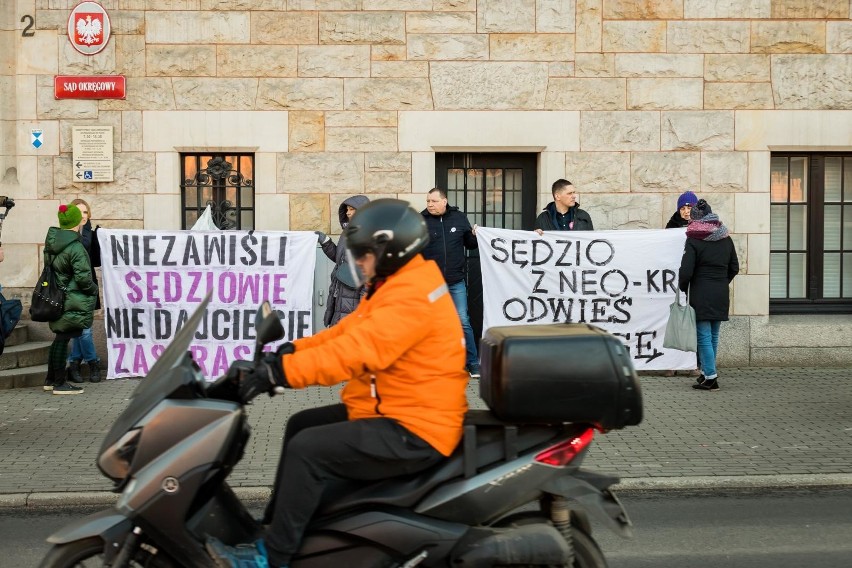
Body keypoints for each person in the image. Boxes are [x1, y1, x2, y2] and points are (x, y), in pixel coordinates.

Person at [206, 199, 469, 568]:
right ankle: (274, 530)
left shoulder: (411, 298)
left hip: (415, 426)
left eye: (363, 255)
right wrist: (288, 350)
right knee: (301, 424)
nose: (358, 262)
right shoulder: (399, 281)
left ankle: (271, 558)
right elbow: (347, 331)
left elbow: (355, 352)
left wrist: (279, 374)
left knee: (309, 449)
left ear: (391, 251)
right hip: (394, 407)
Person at [678, 199, 739, 392]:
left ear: (696, 219)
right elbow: (734, 267)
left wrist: (683, 287)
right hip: (720, 290)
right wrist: (722, 281)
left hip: (702, 291)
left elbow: (686, 270)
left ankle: (711, 377)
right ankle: (706, 373)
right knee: (713, 334)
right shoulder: (725, 238)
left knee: (703, 335)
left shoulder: (694, 239)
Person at [420, 188, 480, 378]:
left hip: (455, 281)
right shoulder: (420, 221)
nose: (430, 204)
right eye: (428, 201)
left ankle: (472, 363)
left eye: (433, 201)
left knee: (462, 321)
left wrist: (476, 234)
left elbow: (470, 244)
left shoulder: (459, 218)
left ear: (444, 201)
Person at [42, 204, 98, 395]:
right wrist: (94, 289)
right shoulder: (75, 247)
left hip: (55, 296)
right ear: (75, 221)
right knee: (62, 338)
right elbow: (83, 278)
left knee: (59, 338)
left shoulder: (53, 242)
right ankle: (59, 383)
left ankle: (50, 380)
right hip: (71, 298)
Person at [315, 195, 370, 327]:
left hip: (354, 300)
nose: (347, 212)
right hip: (339, 293)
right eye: (346, 209)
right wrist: (326, 242)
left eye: (352, 209)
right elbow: (339, 260)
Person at [664, 190, 700, 377]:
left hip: (694, 281)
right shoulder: (671, 227)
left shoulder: (702, 228)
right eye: (683, 208)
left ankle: (693, 363)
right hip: (673, 281)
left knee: (692, 322)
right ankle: (672, 362)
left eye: (690, 207)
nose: (686, 211)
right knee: (674, 321)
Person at [66, 198, 102, 383]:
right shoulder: (66, 234)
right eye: (78, 212)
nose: (82, 216)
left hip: (87, 286)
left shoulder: (92, 234)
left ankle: (74, 363)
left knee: (83, 330)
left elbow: (96, 260)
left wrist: (101, 240)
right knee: (81, 330)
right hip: (72, 288)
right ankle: (92, 362)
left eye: (85, 212)